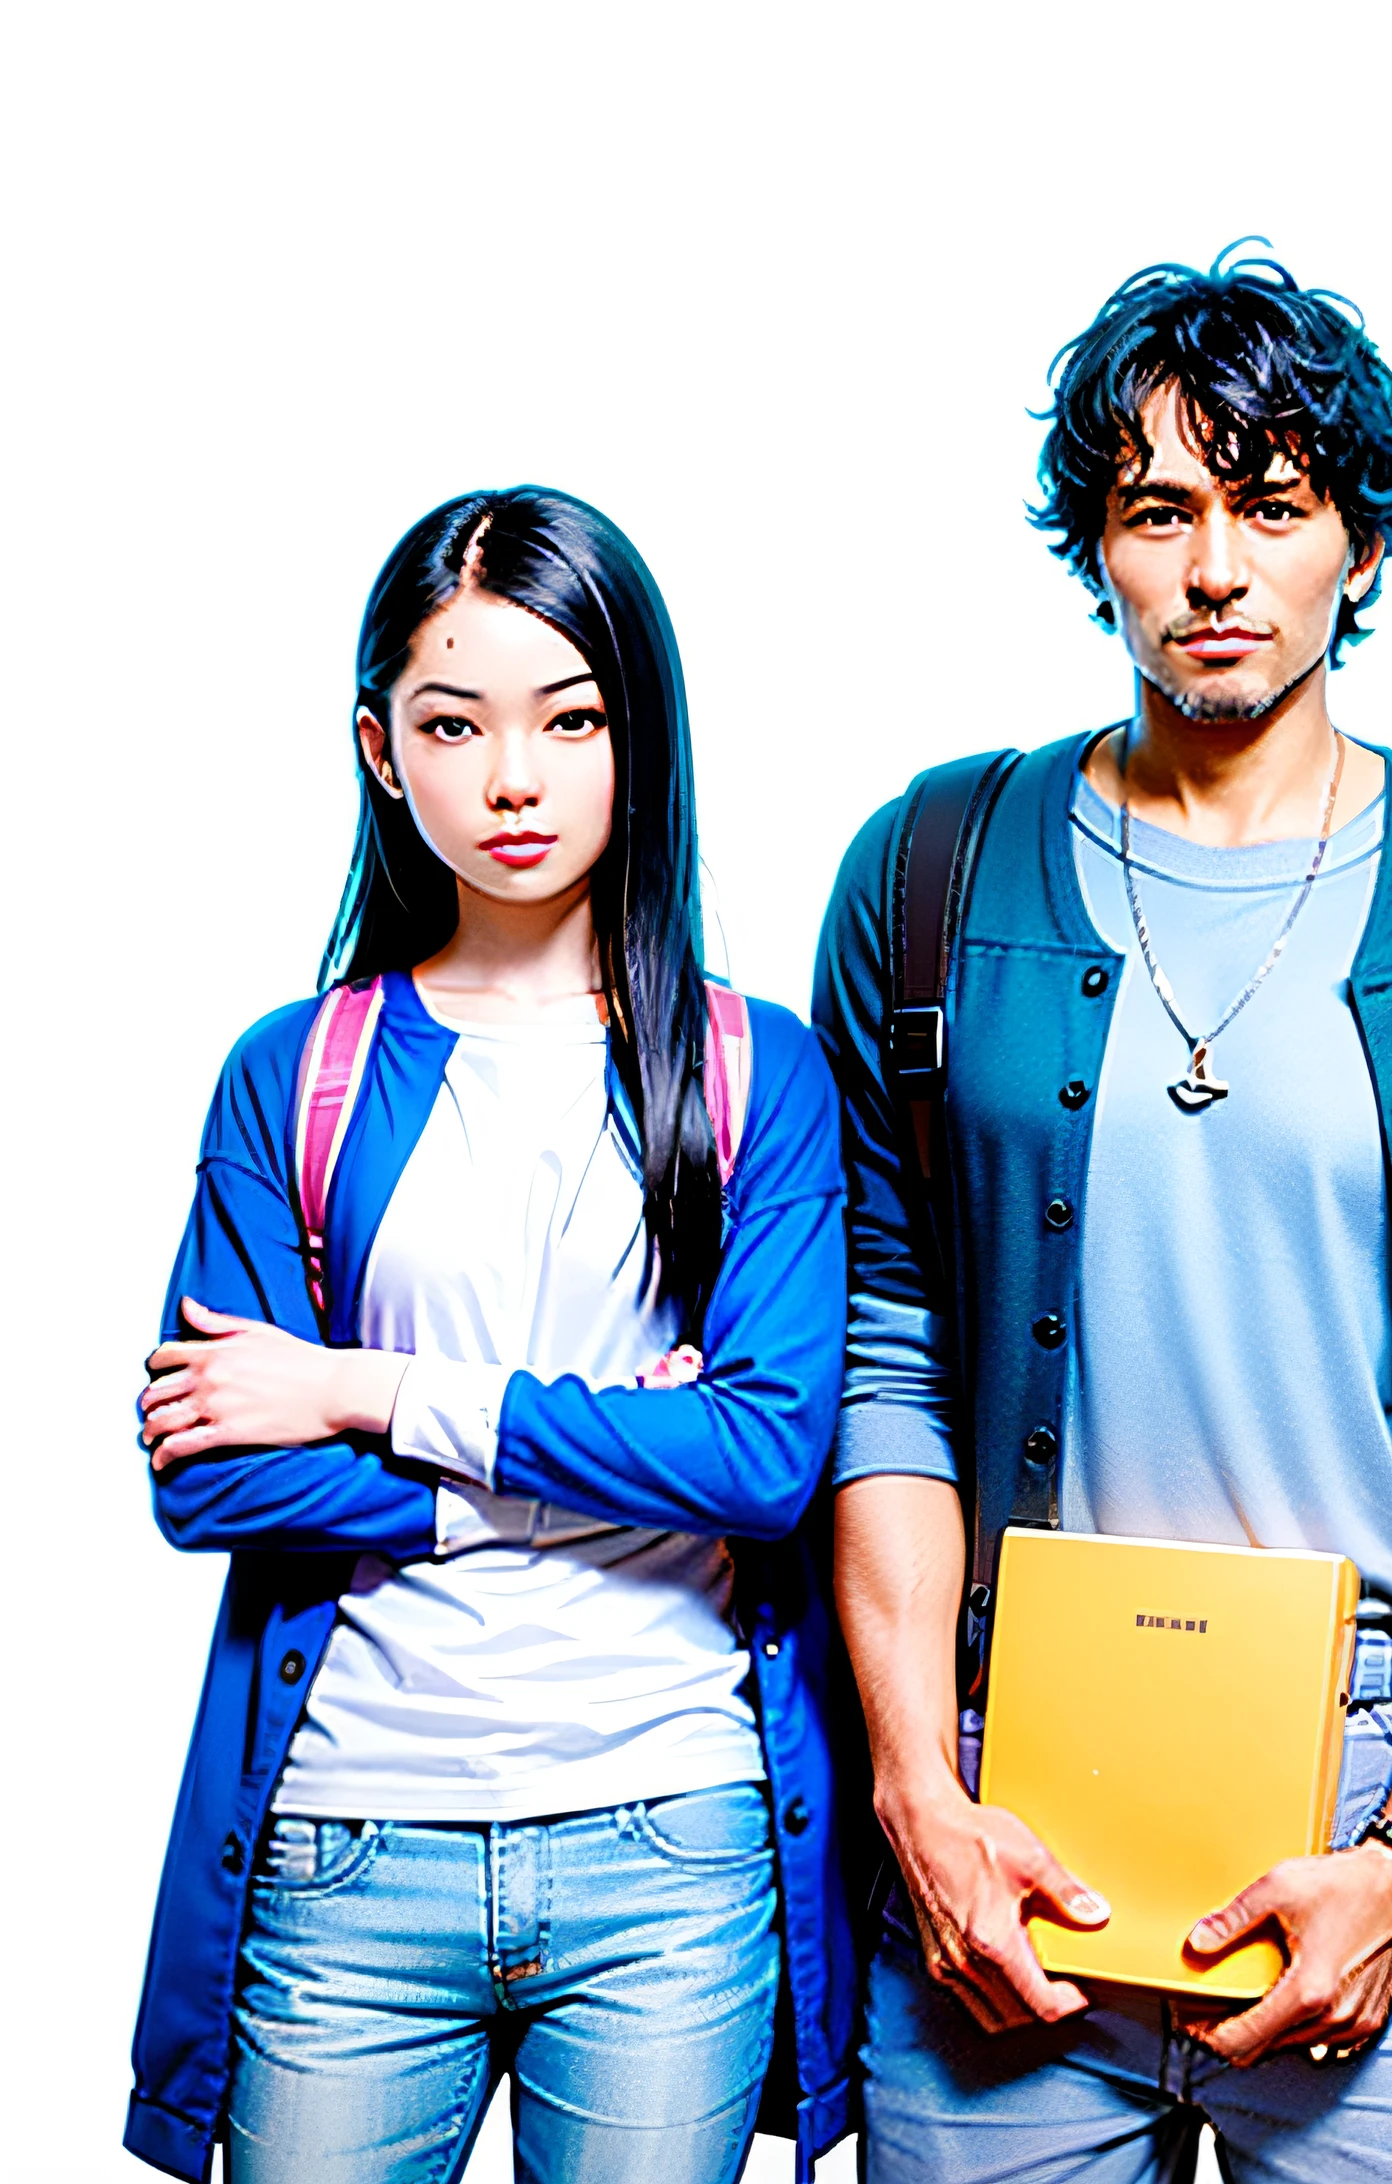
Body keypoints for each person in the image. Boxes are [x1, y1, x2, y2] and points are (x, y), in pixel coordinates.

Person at [814, 245, 1392, 2182]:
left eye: (1272, 508)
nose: (1214, 569)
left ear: (1360, 544)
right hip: (1009, 1789)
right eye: (1156, 510)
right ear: (1092, 545)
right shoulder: (933, 866)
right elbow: (888, 1362)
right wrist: (920, 1799)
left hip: (1384, 1778)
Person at [125, 488, 855, 2184]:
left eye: (568, 717)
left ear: (637, 735)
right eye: (454, 724)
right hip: (347, 1840)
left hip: (667, 1842)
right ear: (381, 750)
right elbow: (210, 1480)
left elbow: (759, 1461)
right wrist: (584, 1469)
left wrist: (366, 1392)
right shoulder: (291, 1074)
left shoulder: (755, 1074)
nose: (511, 778)